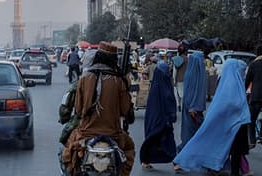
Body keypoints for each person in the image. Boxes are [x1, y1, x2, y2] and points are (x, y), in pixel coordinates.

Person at [62, 42, 135, 176]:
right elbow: (126, 111)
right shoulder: (119, 80)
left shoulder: (84, 78)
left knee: (67, 153)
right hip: (114, 135)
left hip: (85, 134)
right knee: (129, 147)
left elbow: (78, 110)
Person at [173, 59, 252, 176]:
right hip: (235, 123)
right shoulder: (233, 83)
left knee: (227, 149)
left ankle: (217, 167)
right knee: (234, 151)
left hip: (231, 123)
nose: (243, 73)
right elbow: (233, 103)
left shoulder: (229, 81)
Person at [140, 62, 177, 170]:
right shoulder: (163, 86)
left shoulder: (156, 86)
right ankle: (175, 162)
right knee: (159, 140)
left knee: (155, 139)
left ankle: (175, 162)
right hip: (160, 119)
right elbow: (169, 101)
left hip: (157, 119)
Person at [173, 52, 206, 172]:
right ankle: (178, 159)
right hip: (193, 110)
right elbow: (195, 91)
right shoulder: (194, 74)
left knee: (193, 135)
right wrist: (194, 106)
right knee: (193, 136)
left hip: (193, 109)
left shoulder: (192, 72)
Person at [172, 45, 188, 112]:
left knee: (178, 93)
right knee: (184, 93)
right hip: (187, 78)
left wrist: (174, 80)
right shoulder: (188, 59)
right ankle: (183, 106)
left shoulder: (176, 59)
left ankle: (179, 105)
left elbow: (174, 71)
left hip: (179, 78)